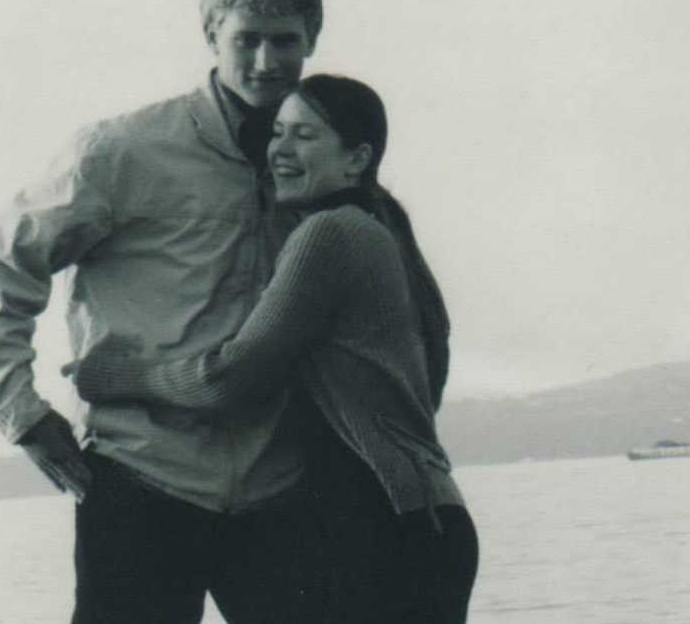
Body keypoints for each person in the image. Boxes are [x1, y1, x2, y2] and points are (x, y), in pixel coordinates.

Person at [0, 0, 329, 623]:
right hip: (141, 482)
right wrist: (20, 411)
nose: (266, 61)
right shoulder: (122, 150)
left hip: (281, 491)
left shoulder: (318, 163)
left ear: (311, 42)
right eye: (247, 39)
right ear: (212, 36)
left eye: (285, 41)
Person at [76, 74, 480, 623]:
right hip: (425, 519)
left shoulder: (329, 236)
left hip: (391, 527)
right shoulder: (378, 230)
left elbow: (229, 378)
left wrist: (112, 378)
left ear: (357, 158)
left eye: (305, 136)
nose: (281, 150)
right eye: (279, 133)